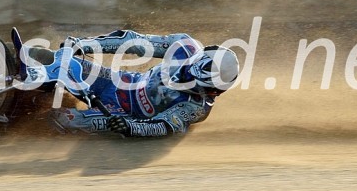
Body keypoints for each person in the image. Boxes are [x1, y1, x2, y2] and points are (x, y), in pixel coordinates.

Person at [37, 29, 240, 137]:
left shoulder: (196, 108)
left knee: (63, 120)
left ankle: (20, 122)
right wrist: (84, 45)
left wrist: (130, 127)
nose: (203, 91)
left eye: (212, 90)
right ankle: (20, 75)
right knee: (54, 59)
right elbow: (134, 41)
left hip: (122, 114)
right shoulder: (184, 47)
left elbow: (163, 125)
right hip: (117, 82)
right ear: (197, 61)